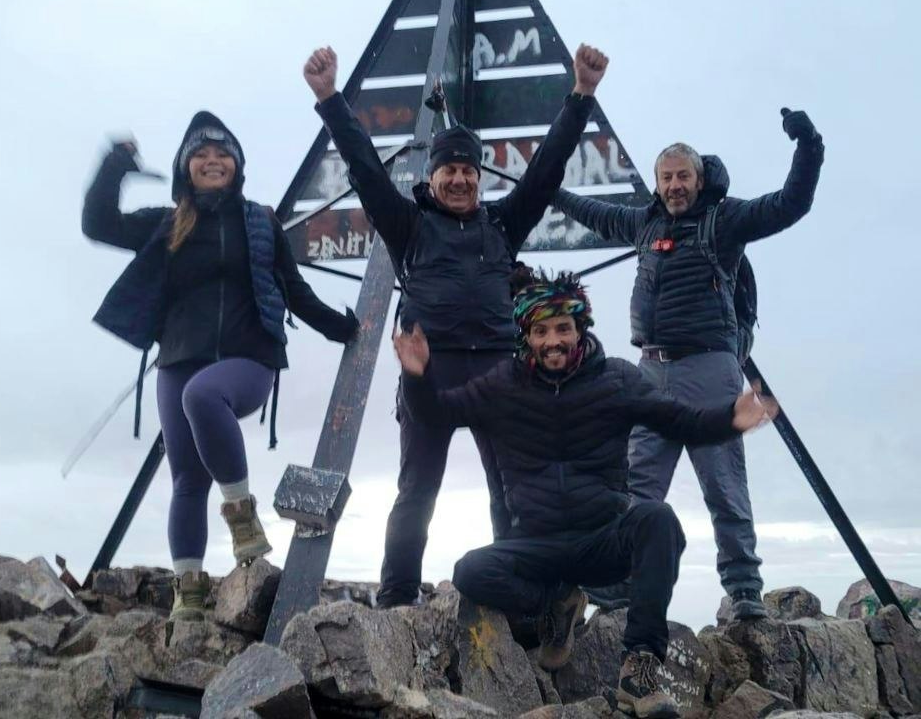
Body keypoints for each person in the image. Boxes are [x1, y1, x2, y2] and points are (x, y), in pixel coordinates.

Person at [303, 43, 608, 608]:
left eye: (469, 170)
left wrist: (580, 97)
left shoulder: (503, 224)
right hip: (431, 370)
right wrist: (330, 100)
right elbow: (366, 170)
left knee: (512, 491)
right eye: (450, 171)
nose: (462, 180)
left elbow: (544, 173)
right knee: (417, 490)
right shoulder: (408, 226)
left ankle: (523, 597)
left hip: (498, 370)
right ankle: (396, 599)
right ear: (434, 176)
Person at [393, 268, 776, 716]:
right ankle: (555, 607)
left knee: (658, 520)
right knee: (471, 571)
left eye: (562, 328)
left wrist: (730, 418)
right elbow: (438, 414)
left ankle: (641, 670)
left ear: (580, 330)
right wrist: (417, 376)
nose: (552, 340)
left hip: (602, 536)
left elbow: (680, 420)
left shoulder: (616, 378)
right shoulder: (502, 384)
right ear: (526, 336)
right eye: (541, 331)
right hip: (534, 544)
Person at [82, 111, 358, 621]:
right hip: (178, 362)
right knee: (187, 479)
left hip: (248, 359)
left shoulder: (260, 221)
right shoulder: (168, 225)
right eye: (201, 155)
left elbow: (293, 290)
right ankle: (188, 591)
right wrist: (116, 163)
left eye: (221, 154)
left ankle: (242, 517)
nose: (212, 161)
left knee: (202, 397)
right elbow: (97, 224)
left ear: (237, 165)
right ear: (186, 167)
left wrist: (342, 328)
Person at [554, 108, 824, 619]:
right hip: (650, 372)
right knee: (634, 485)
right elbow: (590, 212)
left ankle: (744, 589)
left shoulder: (724, 222)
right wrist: (547, 184)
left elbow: (790, 204)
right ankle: (617, 583)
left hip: (709, 370)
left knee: (723, 483)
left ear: (699, 181)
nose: (675, 186)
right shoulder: (644, 222)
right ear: (657, 184)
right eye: (667, 177)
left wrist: (807, 145)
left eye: (684, 176)